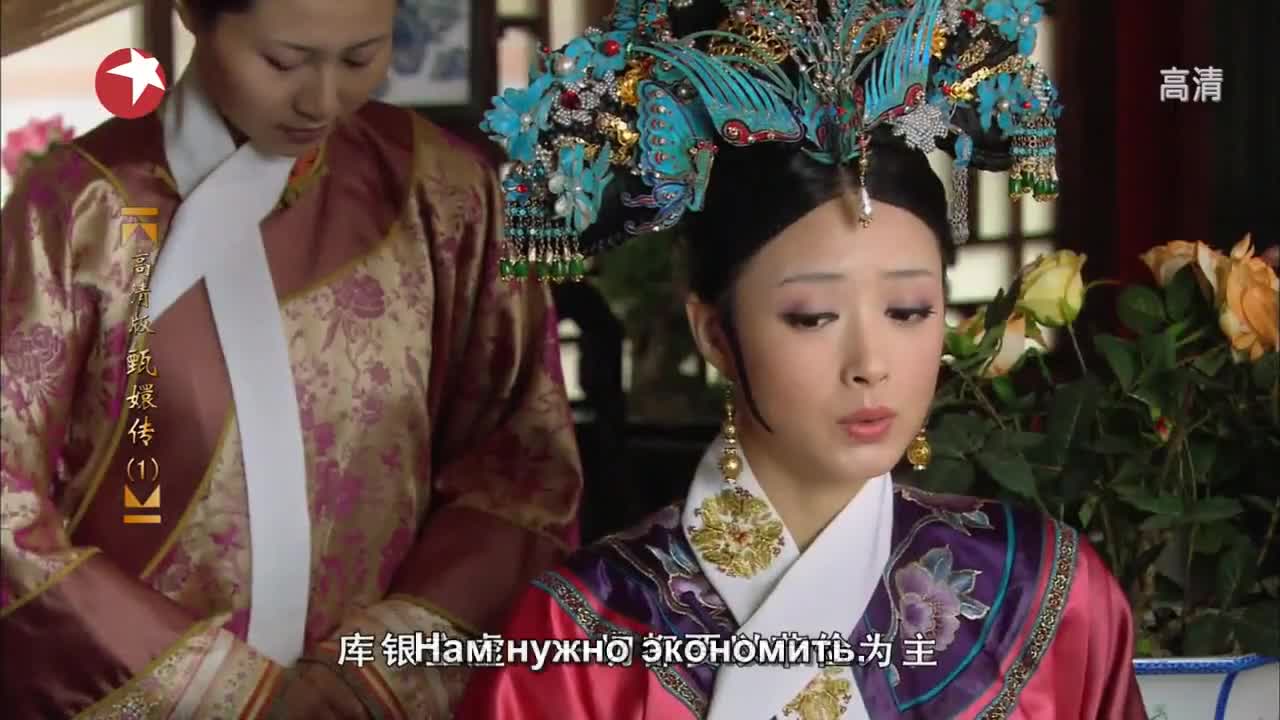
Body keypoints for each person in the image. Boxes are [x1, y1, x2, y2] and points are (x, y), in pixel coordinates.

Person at [456, 0, 1148, 717]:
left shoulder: (1045, 594)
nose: (870, 363)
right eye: (813, 317)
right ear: (715, 334)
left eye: (909, 311)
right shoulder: (576, 636)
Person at [0, 0, 582, 717]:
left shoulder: (444, 192)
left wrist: (376, 668)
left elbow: (520, 470)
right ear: (193, 12)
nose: (323, 101)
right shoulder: (78, 209)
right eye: (284, 62)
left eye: (360, 57)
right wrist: (217, 687)